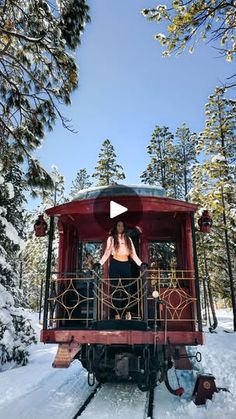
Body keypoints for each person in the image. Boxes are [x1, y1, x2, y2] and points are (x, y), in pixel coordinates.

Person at [99, 220, 143, 319]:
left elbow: (133, 254)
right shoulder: (111, 239)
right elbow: (107, 253)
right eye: (118, 225)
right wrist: (100, 263)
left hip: (125, 265)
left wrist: (141, 263)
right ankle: (116, 314)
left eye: (122, 226)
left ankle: (127, 312)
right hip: (115, 264)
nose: (120, 227)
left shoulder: (128, 239)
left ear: (124, 228)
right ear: (116, 227)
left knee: (126, 290)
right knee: (114, 290)